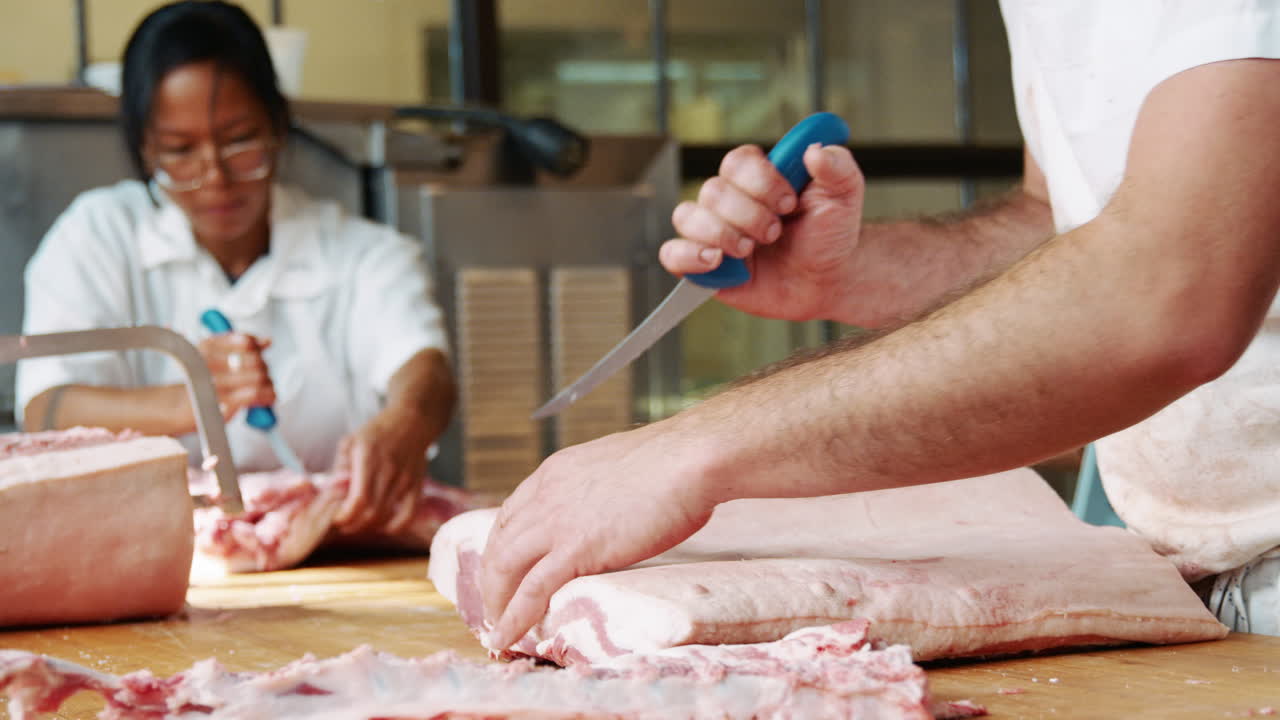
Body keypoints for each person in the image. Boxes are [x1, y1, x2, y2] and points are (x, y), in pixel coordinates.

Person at [478, 0, 1280, 649]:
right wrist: (864, 272)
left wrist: (688, 450)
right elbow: (1065, 228)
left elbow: (1170, 291)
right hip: (1193, 581)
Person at [16, 0, 456, 535]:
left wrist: (406, 421)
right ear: (145, 149)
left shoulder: (359, 252)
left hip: (339, 548)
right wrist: (187, 400)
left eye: (239, 141)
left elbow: (425, 366)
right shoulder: (98, 236)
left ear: (278, 126)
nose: (215, 178)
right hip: (147, 546)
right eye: (180, 151)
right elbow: (46, 407)